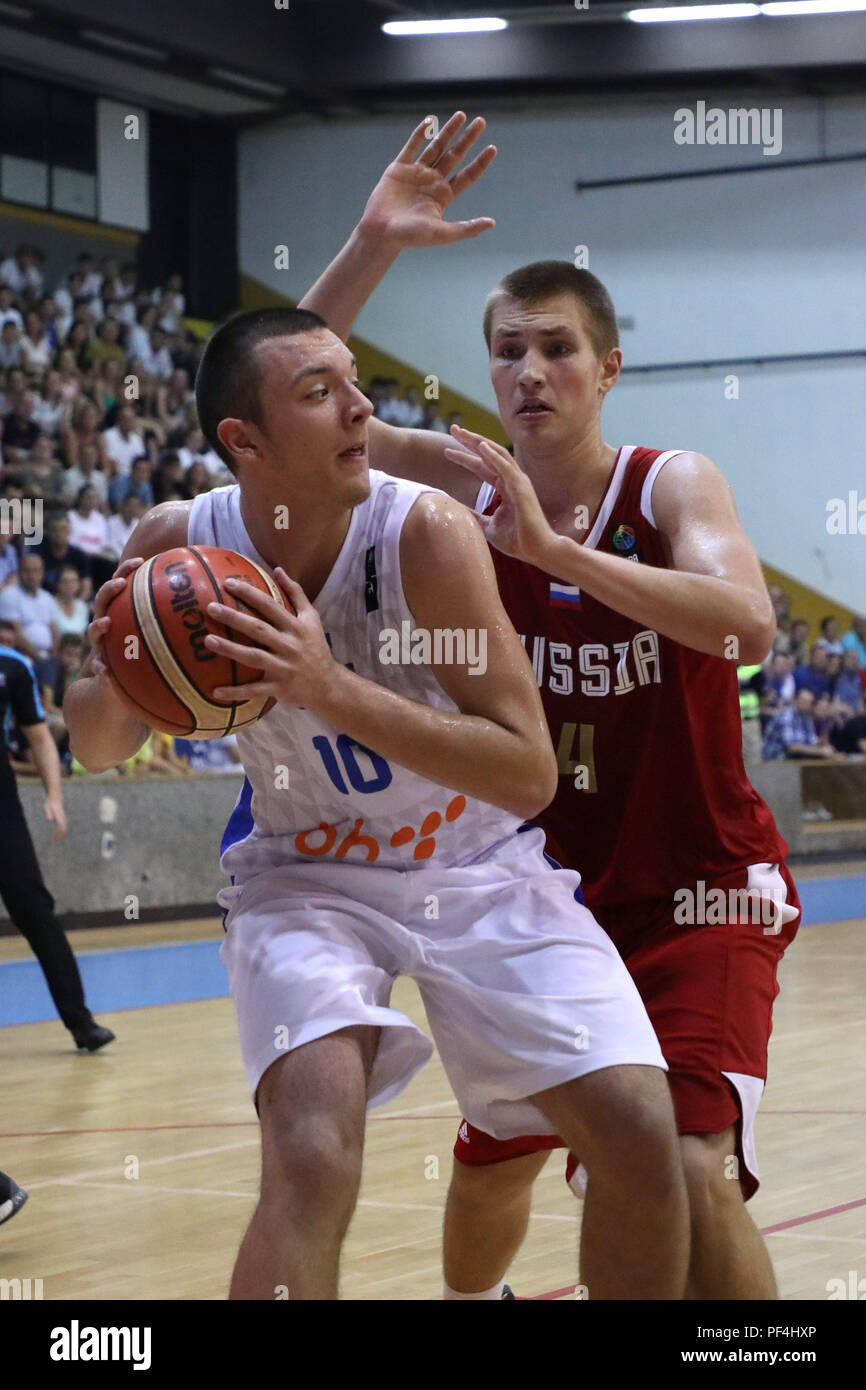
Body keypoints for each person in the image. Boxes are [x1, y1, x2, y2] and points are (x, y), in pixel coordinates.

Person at [64, 307, 690, 1295]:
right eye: (320, 394)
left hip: (470, 859)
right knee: (311, 1152)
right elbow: (97, 745)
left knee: (639, 1133)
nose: (361, 407)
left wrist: (326, 686)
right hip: (305, 876)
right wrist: (114, 666)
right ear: (245, 443)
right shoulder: (177, 544)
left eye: (354, 381)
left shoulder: (423, 534)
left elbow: (527, 771)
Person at [299, 111, 802, 1300]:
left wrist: (556, 555)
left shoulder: (667, 482)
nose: (528, 373)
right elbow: (290, 385)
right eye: (507, 352)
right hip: (541, 902)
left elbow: (748, 627)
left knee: (688, 1161)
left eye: (557, 349)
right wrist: (372, 240)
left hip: (696, 891)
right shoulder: (466, 481)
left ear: (607, 368)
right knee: (486, 1174)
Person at [0, 629, 113, 1050]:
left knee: (33, 906)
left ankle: (81, 1023)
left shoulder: (13, 666)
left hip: (2, 803)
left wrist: (54, 796)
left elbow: (40, 736)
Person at [0, 552, 59, 659]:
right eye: (27, 570)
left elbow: (55, 631)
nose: (31, 576)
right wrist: (39, 657)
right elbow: (15, 634)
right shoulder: (9, 595)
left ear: (42, 573)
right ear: (19, 572)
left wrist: (52, 657)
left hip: (48, 656)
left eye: (36, 571)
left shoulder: (48, 597)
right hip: (21, 655)